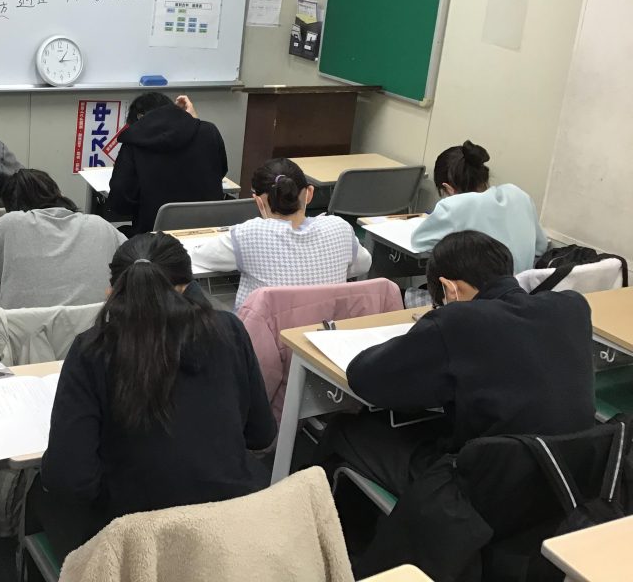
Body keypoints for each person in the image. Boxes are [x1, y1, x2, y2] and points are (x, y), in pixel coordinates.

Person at [37, 233, 276, 559]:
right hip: (230, 528)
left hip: (136, 541)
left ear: (112, 293)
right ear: (186, 287)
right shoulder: (229, 329)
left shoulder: (92, 349)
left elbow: (71, 479)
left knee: (40, 496)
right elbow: (261, 434)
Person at [320, 230, 595, 499]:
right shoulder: (573, 306)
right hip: (568, 476)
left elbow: (364, 378)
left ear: (449, 289)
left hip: (485, 489)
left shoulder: (457, 321)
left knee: (346, 428)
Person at [0, 169, 126, 395]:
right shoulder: (101, 226)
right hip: (93, 361)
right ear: (60, 194)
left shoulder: (10, 225)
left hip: (13, 368)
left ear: (11, 207)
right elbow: (132, 264)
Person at [190, 158, 372, 309]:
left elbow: (200, 257)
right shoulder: (339, 227)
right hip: (324, 332)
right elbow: (364, 264)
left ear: (258, 202)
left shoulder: (249, 234)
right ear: (309, 193)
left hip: (264, 337)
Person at [411, 140, 548, 272]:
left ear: (448, 188)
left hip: (481, 288)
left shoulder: (454, 206)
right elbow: (541, 247)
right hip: (521, 286)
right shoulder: (518, 194)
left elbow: (419, 242)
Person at [108, 93, 228, 234]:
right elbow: (220, 171)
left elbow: (120, 201)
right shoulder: (209, 131)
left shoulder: (134, 143)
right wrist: (193, 121)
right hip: (208, 235)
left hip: (155, 240)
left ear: (140, 118)